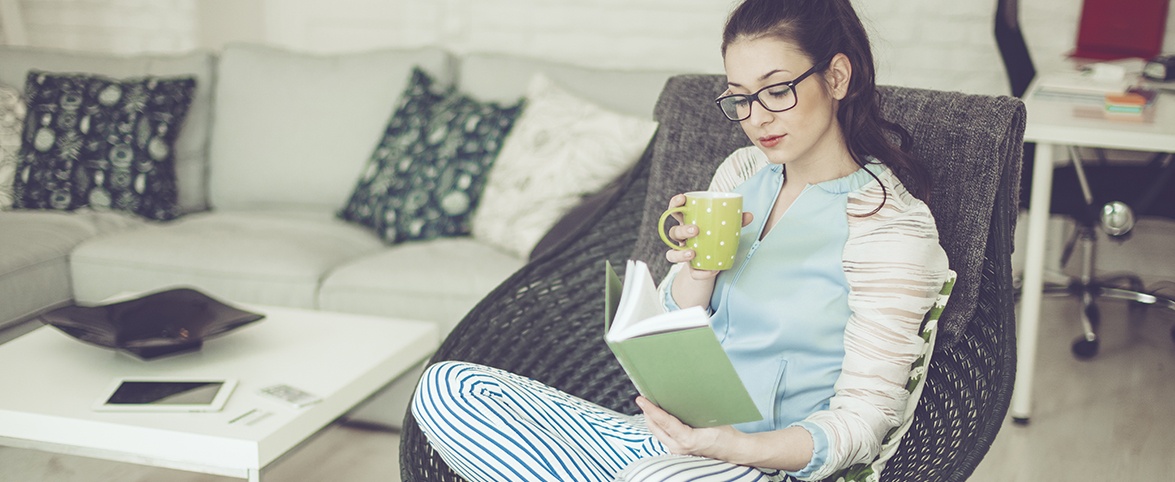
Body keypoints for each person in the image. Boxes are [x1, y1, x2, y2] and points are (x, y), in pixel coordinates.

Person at [411, 0, 950, 480]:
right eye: (740, 98)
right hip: (667, 439)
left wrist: (736, 446)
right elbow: (672, 323)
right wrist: (697, 270)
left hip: (762, 464)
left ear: (836, 77)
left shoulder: (889, 227)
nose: (756, 118)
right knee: (447, 390)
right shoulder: (741, 174)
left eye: (777, 90)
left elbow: (862, 424)